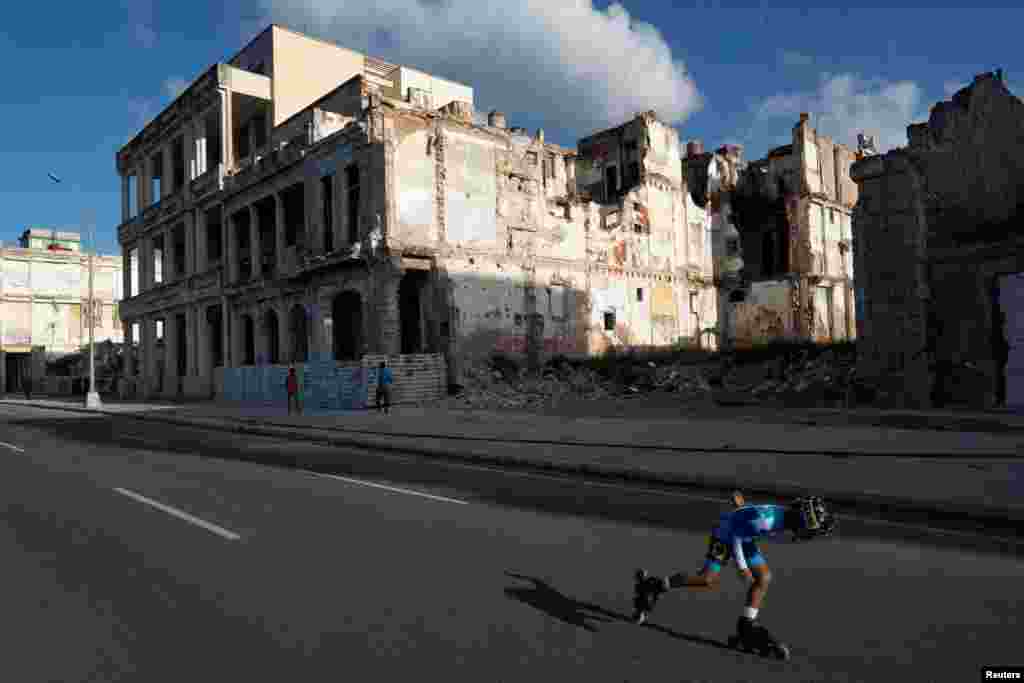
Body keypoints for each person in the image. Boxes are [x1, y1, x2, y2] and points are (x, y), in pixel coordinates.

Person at [632, 491, 837, 656]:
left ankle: (746, 624)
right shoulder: (768, 521)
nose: (808, 535)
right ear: (801, 520)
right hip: (726, 533)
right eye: (810, 530)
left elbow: (751, 517)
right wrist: (743, 568)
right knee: (707, 580)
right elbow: (739, 535)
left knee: (764, 577)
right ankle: (653, 585)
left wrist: (741, 508)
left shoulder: (782, 517)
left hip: (743, 533)